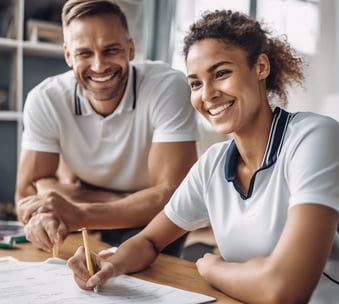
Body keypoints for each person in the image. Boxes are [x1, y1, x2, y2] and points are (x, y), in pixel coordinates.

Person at [67, 9, 339, 304]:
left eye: (221, 73)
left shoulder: (314, 137)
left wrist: (213, 268)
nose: (207, 94)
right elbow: (148, 240)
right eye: (195, 83)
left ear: (260, 67)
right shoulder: (213, 163)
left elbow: (283, 289)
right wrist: (111, 264)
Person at [14, 0, 198, 257]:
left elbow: (174, 197)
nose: (99, 66)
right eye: (84, 53)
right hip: (109, 209)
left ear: (130, 49)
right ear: (68, 55)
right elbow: (28, 191)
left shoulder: (167, 87)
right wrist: (121, 201)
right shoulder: (44, 99)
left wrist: (78, 206)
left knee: (145, 282)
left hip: (154, 218)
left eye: (111, 50)